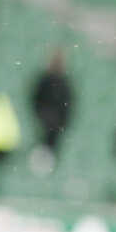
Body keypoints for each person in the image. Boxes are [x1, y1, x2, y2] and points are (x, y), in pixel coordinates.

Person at [28, 47, 74, 175]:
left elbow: (69, 108)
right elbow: (34, 101)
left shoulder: (65, 84)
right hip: (42, 125)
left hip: (56, 129)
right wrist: (43, 117)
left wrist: (60, 123)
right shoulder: (43, 81)